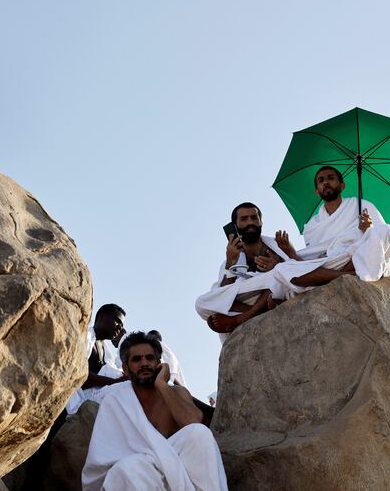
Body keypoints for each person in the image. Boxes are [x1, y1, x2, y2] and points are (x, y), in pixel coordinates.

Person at [82, 332, 228, 491]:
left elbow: (193, 423)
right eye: (136, 359)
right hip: (138, 473)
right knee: (129, 468)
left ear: (159, 363)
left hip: (179, 470)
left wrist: (162, 385)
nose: (144, 363)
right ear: (125, 368)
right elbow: (102, 461)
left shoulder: (175, 392)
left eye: (149, 358)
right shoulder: (115, 401)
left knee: (199, 434)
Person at [271, 166, 390, 296]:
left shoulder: (362, 206)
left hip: (358, 256)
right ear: (317, 191)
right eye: (321, 181)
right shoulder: (312, 226)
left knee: (387, 230)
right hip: (331, 264)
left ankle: (335, 277)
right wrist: (291, 253)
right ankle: (347, 275)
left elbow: (385, 241)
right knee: (281, 269)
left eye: (331, 178)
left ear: (342, 185)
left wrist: (369, 228)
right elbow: (312, 261)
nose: (326, 182)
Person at [194, 202, 289, 341]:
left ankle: (243, 318)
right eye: (244, 219)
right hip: (248, 299)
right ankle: (257, 312)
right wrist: (230, 263)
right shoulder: (231, 257)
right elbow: (224, 292)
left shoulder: (277, 246)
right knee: (201, 303)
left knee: (280, 274)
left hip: (273, 291)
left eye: (254, 218)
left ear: (261, 221)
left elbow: (295, 270)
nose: (250, 222)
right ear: (235, 226)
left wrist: (278, 265)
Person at [66, 304, 129, 415]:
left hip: (87, 407)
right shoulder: (85, 337)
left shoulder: (106, 351)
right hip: (69, 405)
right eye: (117, 321)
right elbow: (77, 374)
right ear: (101, 317)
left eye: (122, 325)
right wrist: (114, 382)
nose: (120, 327)